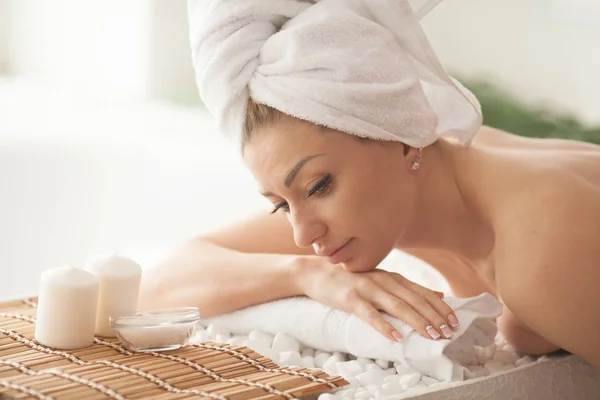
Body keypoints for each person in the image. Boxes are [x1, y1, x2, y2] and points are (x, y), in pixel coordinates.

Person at [140, 0, 600, 368]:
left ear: (399, 134)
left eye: (318, 186)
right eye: (281, 204)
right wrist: (311, 277)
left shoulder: (540, 249)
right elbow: (161, 282)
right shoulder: (404, 192)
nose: (301, 235)